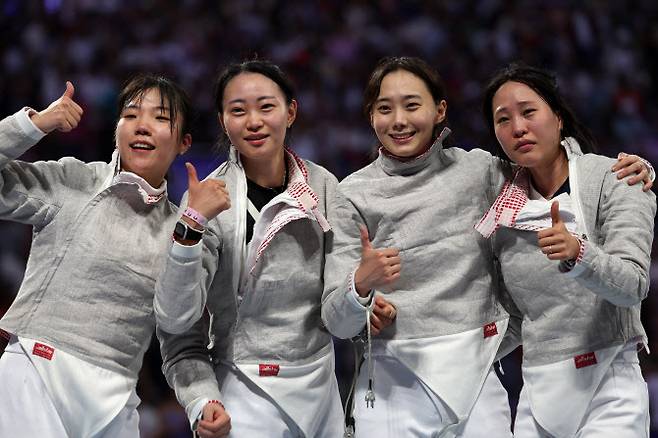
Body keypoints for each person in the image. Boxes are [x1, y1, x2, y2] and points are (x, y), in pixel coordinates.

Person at [321, 56, 652, 437]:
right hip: (397, 378)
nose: (399, 120)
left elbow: (557, 169)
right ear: (370, 116)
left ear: (440, 110)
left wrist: (639, 169)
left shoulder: (481, 171)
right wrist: (360, 289)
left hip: (480, 378)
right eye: (384, 108)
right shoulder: (350, 195)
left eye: (412, 105)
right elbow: (338, 322)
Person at [154, 60, 387, 438]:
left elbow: (341, 324)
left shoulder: (324, 187)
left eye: (266, 106)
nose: (254, 121)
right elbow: (175, 322)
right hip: (243, 389)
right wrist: (191, 225)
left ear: (290, 112)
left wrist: (360, 286)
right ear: (223, 121)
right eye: (238, 111)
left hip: (319, 388)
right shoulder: (205, 200)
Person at [0, 74, 194, 437]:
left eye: (160, 118)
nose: (142, 127)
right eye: (131, 114)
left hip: (117, 396)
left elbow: (180, 326)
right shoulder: (75, 181)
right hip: (37, 371)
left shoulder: (182, 229)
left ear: (184, 143)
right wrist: (33, 125)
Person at [476, 62, 655, 437]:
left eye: (528, 112)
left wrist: (578, 253)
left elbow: (633, 285)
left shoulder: (617, 178)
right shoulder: (501, 207)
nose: (518, 128)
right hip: (538, 394)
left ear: (557, 118)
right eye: (503, 119)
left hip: (610, 387)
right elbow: (514, 315)